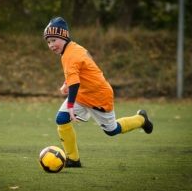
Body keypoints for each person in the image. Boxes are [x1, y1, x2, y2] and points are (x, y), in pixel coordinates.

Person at [43, 17, 153, 167]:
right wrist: (66, 83)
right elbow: (80, 71)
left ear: (64, 36)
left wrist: (70, 107)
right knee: (61, 120)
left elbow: (75, 82)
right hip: (82, 95)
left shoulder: (70, 54)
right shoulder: (73, 48)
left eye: (54, 40)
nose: (51, 45)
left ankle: (141, 119)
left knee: (112, 130)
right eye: (48, 42)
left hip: (99, 97)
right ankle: (73, 160)